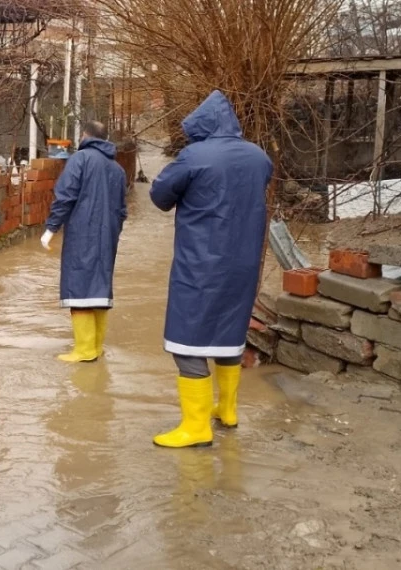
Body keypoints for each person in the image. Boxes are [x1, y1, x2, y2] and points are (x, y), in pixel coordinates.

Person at [148, 90, 271, 449]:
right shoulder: (259, 157)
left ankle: (196, 426)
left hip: (202, 263)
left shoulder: (194, 155)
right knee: (229, 333)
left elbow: (159, 197)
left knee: (186, 341)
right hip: (244, 263)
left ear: (200, 126)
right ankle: (227, 410)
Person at [40, 121, 128, 362]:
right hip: (107, 239)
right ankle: (96, 348)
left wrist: (51, 228)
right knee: (99, 290)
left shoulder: (80, 159)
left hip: (82, 235)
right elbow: (122, 211)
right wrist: (111, 234)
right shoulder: (117, 169)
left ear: (85, 135)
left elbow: (65, 196)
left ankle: (84, 350)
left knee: (78, 290)